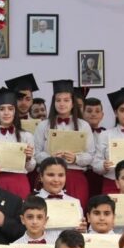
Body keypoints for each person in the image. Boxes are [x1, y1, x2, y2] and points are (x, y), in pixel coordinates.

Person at [32, 80, 96, 208]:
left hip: (75, 177)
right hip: (50, 177)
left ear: (73, 103)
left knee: (76, 214)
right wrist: (51, 158)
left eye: (66, 100)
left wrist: (76, 158)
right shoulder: (43, 125)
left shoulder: (83, 125)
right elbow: (36, 154)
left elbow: (91, 155)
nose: (62, 104)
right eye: (58, 100)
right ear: (53, 102)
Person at [0, 88, 35, 198]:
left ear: (15, 112)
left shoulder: (27, 136)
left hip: (19, 182)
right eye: (2, 109)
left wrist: (28, 158)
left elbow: (30, 168)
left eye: (10, 109)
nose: (6, 113)